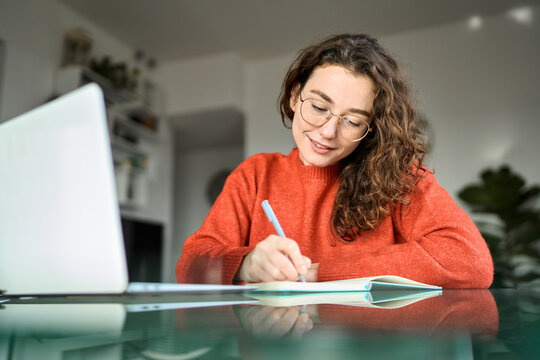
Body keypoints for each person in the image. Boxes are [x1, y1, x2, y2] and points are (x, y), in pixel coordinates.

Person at [176, 33, 493, 288]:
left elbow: (470, 259)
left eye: (353, 121)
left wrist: (317, 274)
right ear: (294, 95)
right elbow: (190, 264)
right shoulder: (256, 174)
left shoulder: (399, 177)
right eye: (317, 106)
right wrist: (246, 262)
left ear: (370, 129)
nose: (328, 132)